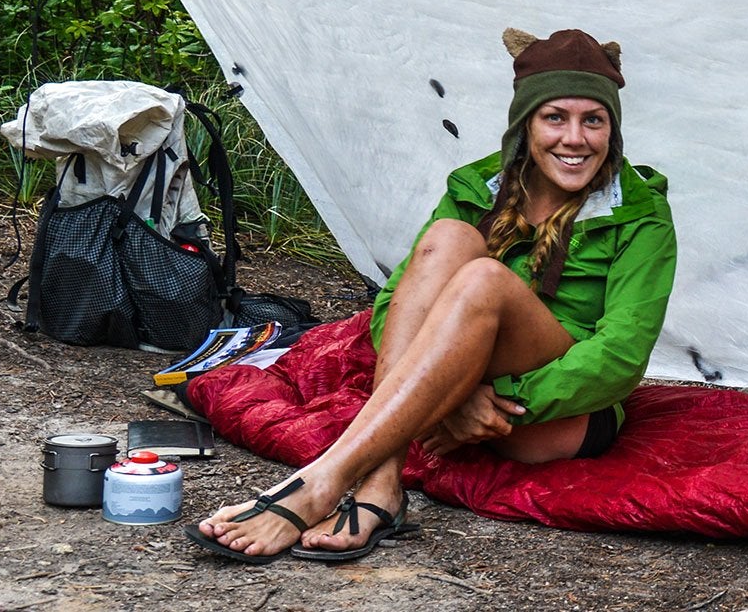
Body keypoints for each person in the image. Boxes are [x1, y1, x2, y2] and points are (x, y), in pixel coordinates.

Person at [186, 28, 678, 563]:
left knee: (484, 278)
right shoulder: (477, 186)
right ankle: (380, 484)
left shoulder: (640, 215)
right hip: (465, 388)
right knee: (450, 239)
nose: (575, 138)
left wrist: (502, 398)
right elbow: (399, 299)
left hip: (552, 412)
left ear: (613, 129)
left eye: (593, 120)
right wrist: (456, 394)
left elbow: (622, 355)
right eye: (555, 117)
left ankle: (323, 481)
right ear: (526, 124)